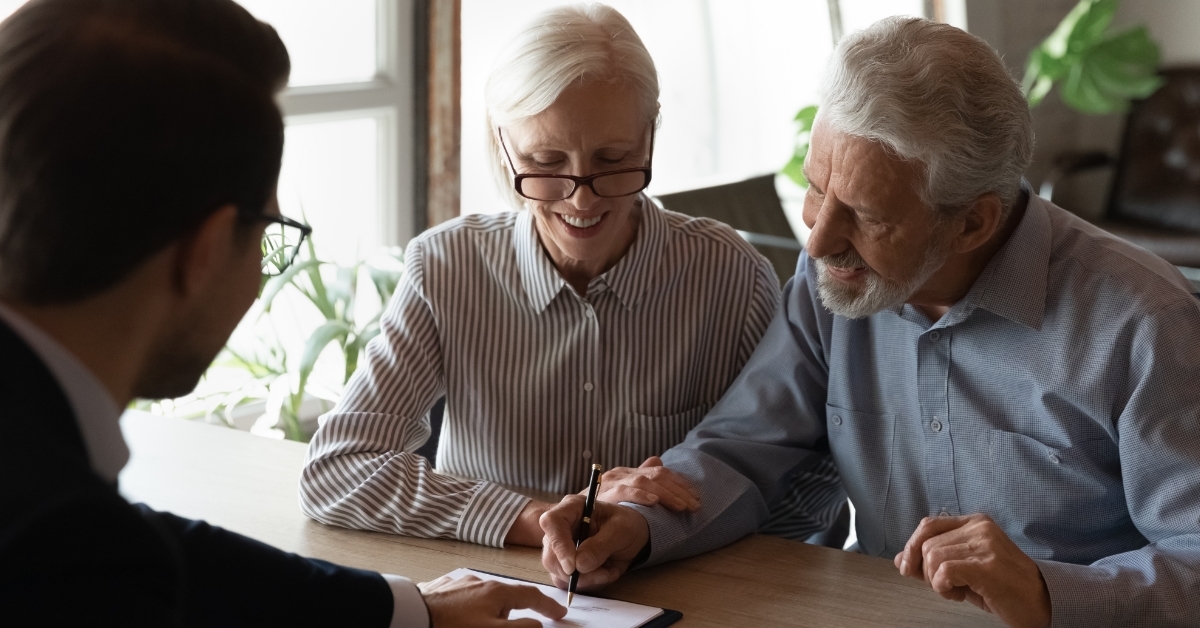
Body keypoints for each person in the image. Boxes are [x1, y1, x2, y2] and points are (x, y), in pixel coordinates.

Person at [539, 16, 1200, 628]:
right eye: (816, 189)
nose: (820, 240)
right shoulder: (834, 282)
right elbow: (741, 448)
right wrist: (634, 522)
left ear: (972, 222)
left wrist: (1049, 592)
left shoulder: (1145, 323)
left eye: (866, 214)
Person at [0, 1, 567, 626]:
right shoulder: (49, 543)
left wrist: (405, 610)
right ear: (208, 249)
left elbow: (139, 544)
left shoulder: (47, 480)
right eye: (272, 228)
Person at [299, 3, 844, 550]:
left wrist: (660, 528)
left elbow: (803, 479)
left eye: (613, 158)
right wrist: (547, 522)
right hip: (494, 590)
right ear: (501, 145)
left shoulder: (729, 276)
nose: (581, 197)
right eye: (545, 159)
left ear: (650, 135)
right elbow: (338, 468)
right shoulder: (445, 268)